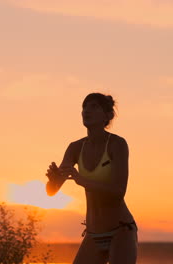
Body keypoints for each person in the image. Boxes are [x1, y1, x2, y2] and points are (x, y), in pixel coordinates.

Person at [45, 93, 137, 264]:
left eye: (94, 107)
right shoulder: (75, 148)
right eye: (84, 107)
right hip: (93, 234)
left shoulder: (117, 144)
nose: (86, 111)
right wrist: (53, 180)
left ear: (107, 116)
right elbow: (51, 192)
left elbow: (118, 191)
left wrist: (83, 181)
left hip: (121, 230)